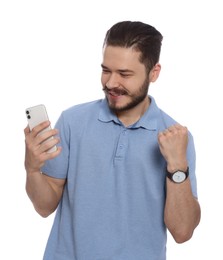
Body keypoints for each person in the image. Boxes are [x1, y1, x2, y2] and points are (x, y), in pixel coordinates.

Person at [24, 21, 201, 260]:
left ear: (154, 73)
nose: (110, 83)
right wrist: (33, 169)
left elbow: (182, 232)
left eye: (124, 74)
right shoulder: (72, 121)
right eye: (106, 70)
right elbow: (44, 207)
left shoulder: (177, 137)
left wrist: (178, 166)